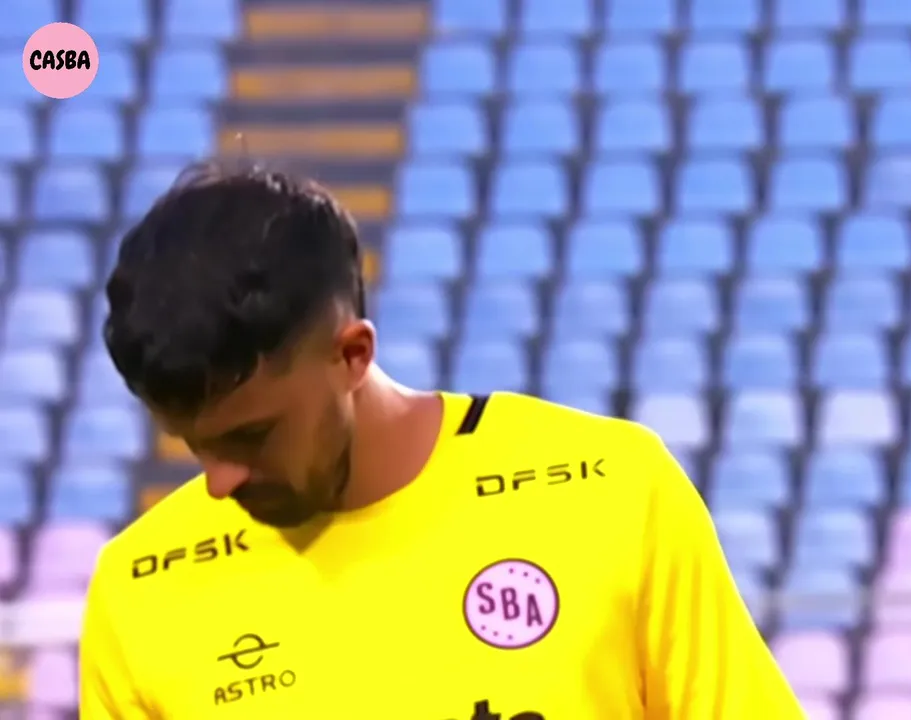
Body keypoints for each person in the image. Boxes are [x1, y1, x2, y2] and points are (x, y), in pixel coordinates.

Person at [78, 161, 804, 719]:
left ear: (352, 355)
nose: (220, 481)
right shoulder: (140, 588)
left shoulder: (608, 489)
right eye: (193, 443)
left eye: (252, 436)